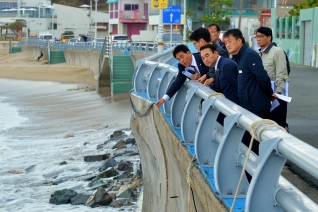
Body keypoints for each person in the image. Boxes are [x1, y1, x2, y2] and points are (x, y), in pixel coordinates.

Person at [223, 29, 276, 155]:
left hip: (257, 107)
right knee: (251, 144)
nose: (227, 45)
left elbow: (263, 77)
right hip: (248, 106)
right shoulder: (239, 57)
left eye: (230, 41)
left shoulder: (249, 55)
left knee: (259, 144)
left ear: (239, 40)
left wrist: (269, 94)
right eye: (225, 43)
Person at [256, 27, 288, 129]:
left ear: (269, 37)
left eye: (261, 36)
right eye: (257, 36)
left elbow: (281, 73)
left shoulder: (277, 52)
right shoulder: (258, 53)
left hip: (276, 94)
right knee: (265, 124)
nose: (258, 39)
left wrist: (278, 93)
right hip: (263, 94)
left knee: (277, 124)